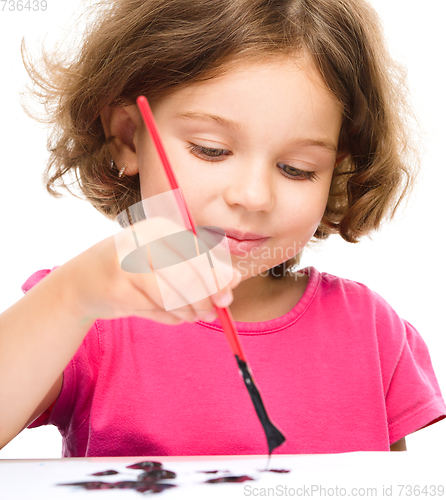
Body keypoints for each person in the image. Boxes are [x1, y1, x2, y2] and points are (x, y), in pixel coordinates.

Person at [0, 0, 444, 457]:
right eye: (211, 150)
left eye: (297, 169)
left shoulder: (371, 333)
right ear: (128, 138)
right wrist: (74, 296)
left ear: (339, 171)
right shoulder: (86, 318)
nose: (253, 196)